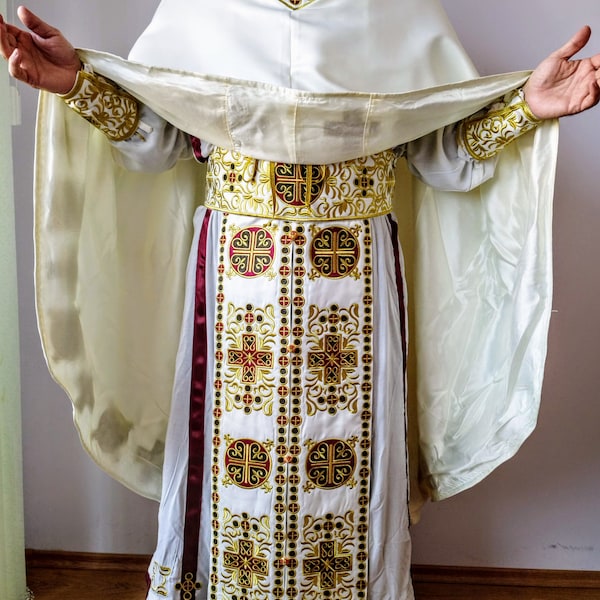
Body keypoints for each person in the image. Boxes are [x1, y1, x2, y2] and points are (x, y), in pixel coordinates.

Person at [2, 3, 600, 599]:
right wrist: (76, 84)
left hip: (355, 276)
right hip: (239, 278)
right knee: (235, 460)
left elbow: (440, 153)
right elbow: (157, 139)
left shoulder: (396, 9)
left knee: (352, 463)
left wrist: (525, 108)